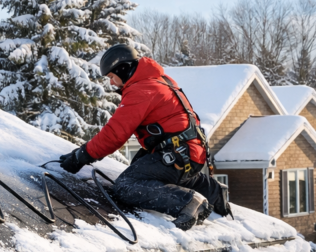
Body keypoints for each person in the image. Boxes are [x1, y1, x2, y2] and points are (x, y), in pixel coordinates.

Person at [57, 44, 230, 230]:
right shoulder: (161, 80)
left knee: (126, 186)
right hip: (188, 153)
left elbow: (115, 133)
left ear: (123, 69)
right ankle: (213, 191)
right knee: (152, 173)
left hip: (177, 153)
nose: (112, 83)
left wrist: (80, 156)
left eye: (112, 77)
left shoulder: (141, 89)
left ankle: (187, 202)